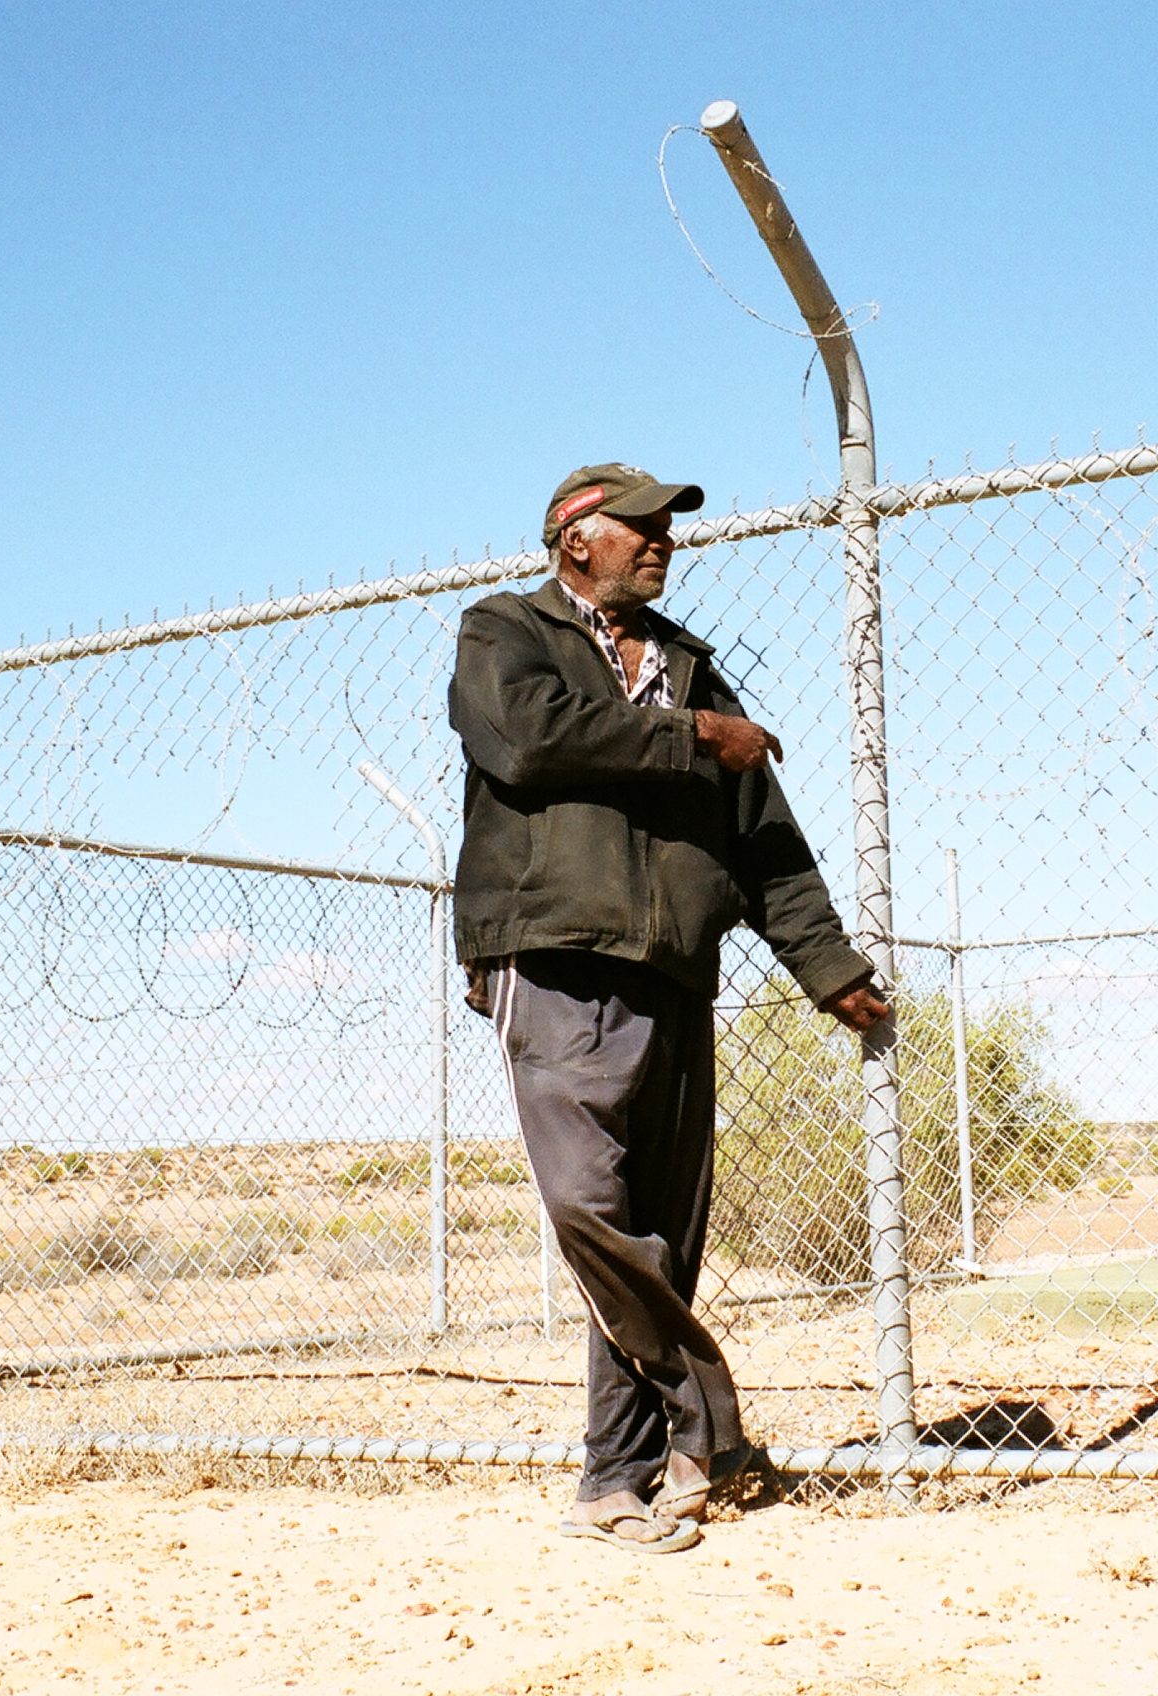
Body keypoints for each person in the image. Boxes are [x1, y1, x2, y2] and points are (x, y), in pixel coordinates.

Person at [449, 462, 891, 1554]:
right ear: (573, 542)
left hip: (676, 967)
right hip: (550, 954)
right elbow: (531, 738)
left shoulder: (690, 663)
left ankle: (625, 1475)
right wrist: (691, 737)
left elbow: (762, 833)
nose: (660, 542)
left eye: (666, 529)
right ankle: (709, 1419)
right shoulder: (504, 632)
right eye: (638, 527)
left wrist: (824, 962)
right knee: (592, 1214)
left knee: (662, 1229)